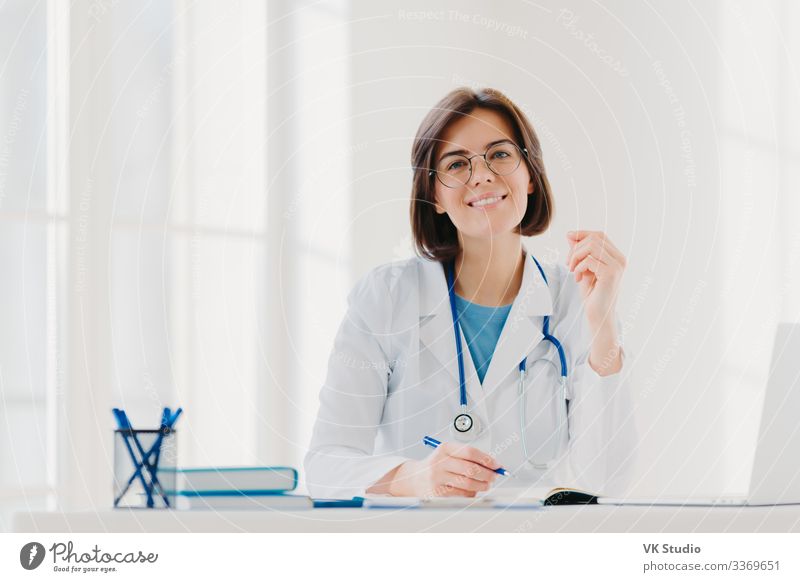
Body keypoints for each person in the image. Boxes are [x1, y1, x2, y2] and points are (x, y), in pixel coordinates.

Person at [304, 87, 636, 500]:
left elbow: (606, 480)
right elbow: (325, 466)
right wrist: (417, 477)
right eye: (457, 164)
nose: (481, 175)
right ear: (435, 197)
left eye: (499, 154)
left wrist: (603, 329)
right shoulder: (386, 297)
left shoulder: (576, 298)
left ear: (530, 175)